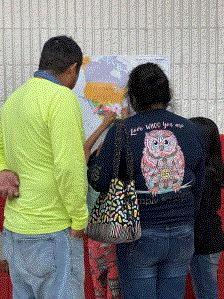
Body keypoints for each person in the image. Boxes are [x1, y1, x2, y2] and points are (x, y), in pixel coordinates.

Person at [87, 62, 205, 299]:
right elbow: (199, 185)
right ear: (168, 95)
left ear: (133, 98)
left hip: (140, 231)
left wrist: (93, 163)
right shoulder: (190, 129)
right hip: (183, 230)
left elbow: (99, 181)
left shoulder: (122, 130)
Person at [0, 35, 88, 299]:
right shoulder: (61, 98)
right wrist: (79, 217)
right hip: (53, 230)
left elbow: (2, 150)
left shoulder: (14, 99)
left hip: (16, 229)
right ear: (72, 68)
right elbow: (69, 167)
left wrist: (3, 169)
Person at [84, 110, 125, 299]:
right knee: (115, 292)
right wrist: (125, 122)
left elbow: (84, 149)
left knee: (99, 290)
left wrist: (104, 125)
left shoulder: (93, 165)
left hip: (94, 241)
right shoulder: (125, 169)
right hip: (118, 241)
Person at [189, 117, 224, 299]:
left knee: (205, 293)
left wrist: (192, 245)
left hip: (203, 244)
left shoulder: (205, 176)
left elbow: (201, 215)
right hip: (208, 241)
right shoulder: (211, 170)